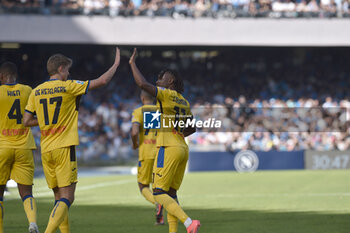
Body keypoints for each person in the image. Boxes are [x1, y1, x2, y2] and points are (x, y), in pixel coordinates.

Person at [23, 48, 120, 233]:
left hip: (46, 149)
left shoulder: (36, 91)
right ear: (60, 69)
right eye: (67, 70)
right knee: (68, 198)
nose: (68, 74)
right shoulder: (68, 86)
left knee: (59, 198)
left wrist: (44, 122)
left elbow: (26, 121)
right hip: (65, 147)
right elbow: (103, 81)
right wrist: (115, 64)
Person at [129, 48, 200, 233]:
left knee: (159, 192)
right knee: (171, 194)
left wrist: (132, 63)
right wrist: (178, 134)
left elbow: (142, 83)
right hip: (182, 148)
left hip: (167, 147)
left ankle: (188, 222)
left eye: (161, 79)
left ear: (170, 82)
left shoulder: (166, 94)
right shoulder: (184, 102)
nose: (157, 81)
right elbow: (192, 128)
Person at [0, 62, 39, 233]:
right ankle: (32, 224)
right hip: (24, 146)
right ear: (16, 75)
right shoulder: (27, 90)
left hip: (2, 146)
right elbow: (36, 115)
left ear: (1, 77)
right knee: (27, 193)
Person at [131, 90, 164, 225]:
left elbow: (134, 131)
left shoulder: (138, 111)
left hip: (145, 153)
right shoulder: (161, 111)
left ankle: (158, 202)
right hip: (160, 153)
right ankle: (160, 218)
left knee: (143, 185)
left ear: (142, 97)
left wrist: (134, 144)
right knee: (160, 187)